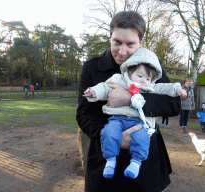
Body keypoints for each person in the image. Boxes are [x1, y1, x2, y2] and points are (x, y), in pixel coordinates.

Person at [76, 11, 181, 192]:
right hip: (104, 157)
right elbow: (83, 113)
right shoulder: (92, 67)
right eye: (117, 42)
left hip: (146, 162)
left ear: (141, 43)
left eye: (130, 44)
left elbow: (173, 105)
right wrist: (111, 137)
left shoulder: (152, 66)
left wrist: (131, 98)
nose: (122, 51)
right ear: (110, 38)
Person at [83, 48, 186, 179]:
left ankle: (136, 163)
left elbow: (165, 87)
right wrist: (94, 92)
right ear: (130, 72)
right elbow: (105, 87)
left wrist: (177, 89)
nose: (144, 81)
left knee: (142, 138)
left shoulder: (150, 87)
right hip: (117, 119)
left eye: (148, 78)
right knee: (109, 132)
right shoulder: (119, 80)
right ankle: (110, 161)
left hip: (139, 123)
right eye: (140, 76)